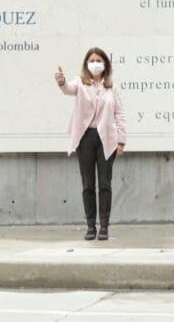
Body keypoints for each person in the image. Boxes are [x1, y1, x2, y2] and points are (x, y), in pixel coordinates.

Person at [56, 47, 126, 241]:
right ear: (86, 64)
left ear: (105, 64)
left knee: (105, 184)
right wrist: (61, 81)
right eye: (91, 60)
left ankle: (104, 226)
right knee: (88, 184)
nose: (95, 63)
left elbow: (119, 114)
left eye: (98, 60)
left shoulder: (112, 87)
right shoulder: (80, 83)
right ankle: (90, 226)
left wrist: (121, 140)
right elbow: (67, 89)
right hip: (85, 138)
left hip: (107, 138)